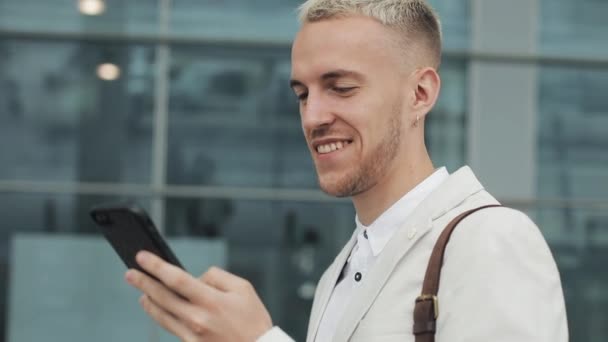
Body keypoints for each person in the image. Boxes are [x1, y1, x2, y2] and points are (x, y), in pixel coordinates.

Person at [124, 0, 569, 341]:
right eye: (302, 93)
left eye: (341, 88)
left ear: (420, 93)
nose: (313, 116)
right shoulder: (338, 273)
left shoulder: (491, 242)